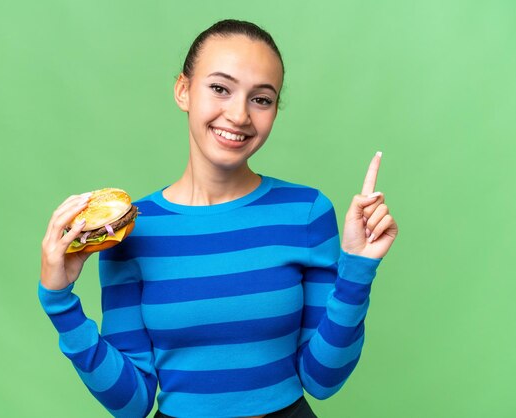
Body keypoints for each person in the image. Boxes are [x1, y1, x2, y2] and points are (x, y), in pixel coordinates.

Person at [38, 19, 398, 418]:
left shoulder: (306, 213)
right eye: (220, 89)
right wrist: (59, 303)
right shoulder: (134, 230)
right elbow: (132, 401)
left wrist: (357, 270)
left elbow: (322, 380)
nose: (240, 115)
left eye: (261, 99)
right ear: (183, 90)